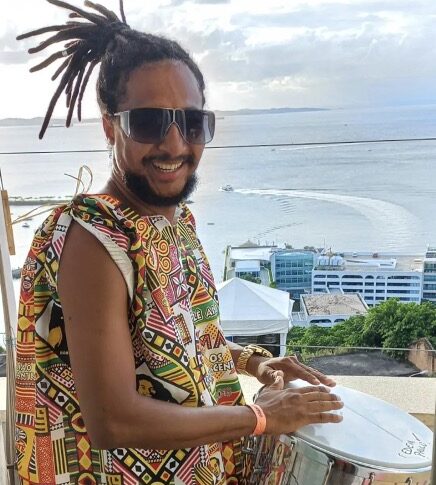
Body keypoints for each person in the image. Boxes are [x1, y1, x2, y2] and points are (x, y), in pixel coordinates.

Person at [14, 1, 343, 484]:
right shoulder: (92, 237)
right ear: (110, 125)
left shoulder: (175, 224)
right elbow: (114, 419)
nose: (174, 145)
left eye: (191, 123)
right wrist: (263, 417)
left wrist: (252, 360)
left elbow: (169, 346)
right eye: (148, 122)